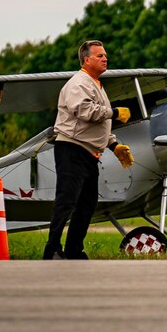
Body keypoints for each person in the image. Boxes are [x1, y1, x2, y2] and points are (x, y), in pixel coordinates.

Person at [43, 40, 134, 260]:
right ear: (86, 60)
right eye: (100, 55)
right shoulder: (79, 82)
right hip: (71, 149)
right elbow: (83, 110)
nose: (105, 58)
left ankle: (74, 250)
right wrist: (113, 112)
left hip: (87, 153)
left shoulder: (96, 84)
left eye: (105, 55)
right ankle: (52, 250)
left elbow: (98, 124)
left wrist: (113, 145)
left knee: (86, 203)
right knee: (67, 200)